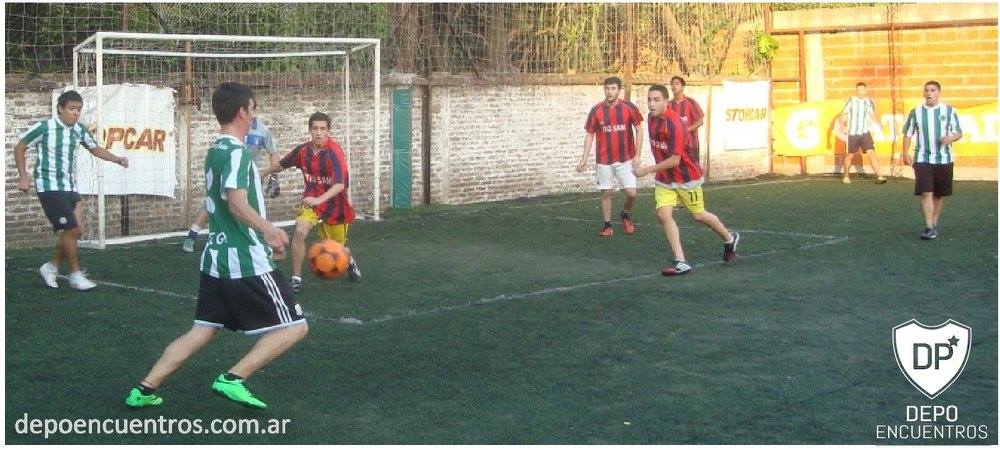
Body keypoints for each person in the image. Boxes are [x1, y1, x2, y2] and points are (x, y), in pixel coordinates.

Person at [124, 82, 307, 410]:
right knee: (295, 327)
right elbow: (236, 204)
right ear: (242, 111)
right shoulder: (237, 152)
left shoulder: (216, 150)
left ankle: (144, 389)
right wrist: (269, 229)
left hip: (215, 258)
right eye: (253, 109)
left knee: (202, 330)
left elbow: (222, 205)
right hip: (243, 259)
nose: (255, 116)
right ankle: (233, 378)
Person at [13, 90, 129, 291]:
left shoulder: (79, 129)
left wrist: (117, 159)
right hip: (49, 186)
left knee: (77, 230)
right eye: (71, 108)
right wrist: (23, 176)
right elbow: (19, 147)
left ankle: (51, 267)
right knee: (70, 230)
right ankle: (75, 275)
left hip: (70, 186)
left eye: (78, 109)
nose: (75, 113)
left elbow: (94, 148)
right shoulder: (45, 127)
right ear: (60, 108)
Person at [634, 84, 739, 276]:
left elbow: (675, 160)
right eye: (649, 100)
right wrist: (637, 156)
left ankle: (729, 238)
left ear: (666, 101)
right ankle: (680, 261)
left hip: (686, 177)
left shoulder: (674, 123)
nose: (651, 104)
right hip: (665, 178)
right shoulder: (651, 118)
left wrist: (646, 170)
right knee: (663, 215)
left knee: (698, 215)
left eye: (656, 100)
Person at [261, 112, 361, 293]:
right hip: (311, 200)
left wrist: (319, 200)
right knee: (299, 232)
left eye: (323, 129)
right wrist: (264, 172)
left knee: (337, 249)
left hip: (335, 204)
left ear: (328, 131)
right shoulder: (303, 150)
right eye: (315, 128)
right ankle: (296, 278)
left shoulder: (334, 152)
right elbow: (281, 164)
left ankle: (349, 261)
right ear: (310, 130)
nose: (318, 132)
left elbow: (340, 185)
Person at [183, 116, 280, 252]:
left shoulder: (263, 130)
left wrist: (270, 175)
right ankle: (191, 236)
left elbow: (274, 155)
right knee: (213, 203)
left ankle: (254, 242)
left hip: (247, 177)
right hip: (228, 172)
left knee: (248, 209)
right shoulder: (233, 128)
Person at [576, 76, 644, 237]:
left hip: (625, 158)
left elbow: (638, 129)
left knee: (631, 193)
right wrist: (584, 158)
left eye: (613, 88)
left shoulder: (629, 107)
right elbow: (590, 134)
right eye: (607, 88)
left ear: (618, 90)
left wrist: (638, 154)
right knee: (606, 192)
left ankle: (625, 214)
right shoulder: (596, 110)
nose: (610, 91)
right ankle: (607, 226)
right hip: (604, 160)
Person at [901, 81, 963, 240]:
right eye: (927, 90)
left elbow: (958, 133)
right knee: (925, 192)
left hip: (944, 158)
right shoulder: (916, 112)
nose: (929, 93)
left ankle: (934, 223)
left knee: (938, 194)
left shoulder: (949, 111)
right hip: (922, 157)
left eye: (933, 90)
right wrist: (905, 152)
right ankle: (928, 226)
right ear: (924, 93)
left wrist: (949, 139)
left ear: (938, 93)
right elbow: (908, 134)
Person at [840, 82, 887, 184]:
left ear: (865, 91)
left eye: (862, 90)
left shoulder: (869, 102)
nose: (860, 92)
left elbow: (872, 115)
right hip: (853, 133)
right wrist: (843, 125)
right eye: (858, 90)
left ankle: (879, 176)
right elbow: (842, 114)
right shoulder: (851, 101)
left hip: (865, 133)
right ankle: (846, 176)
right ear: (856, 90)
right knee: (850, 155)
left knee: (871, 153)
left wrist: (880, 126)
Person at [667, 76, 705, 163]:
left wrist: (686, 130)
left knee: (693, 169)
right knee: (675, 170)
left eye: (677, 84)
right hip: (673, 146)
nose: (674, 86)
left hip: (690, 145)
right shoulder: (668, 105)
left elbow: (700, 121)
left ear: (683, 86)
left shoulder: (691, 102)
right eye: (672, 84)